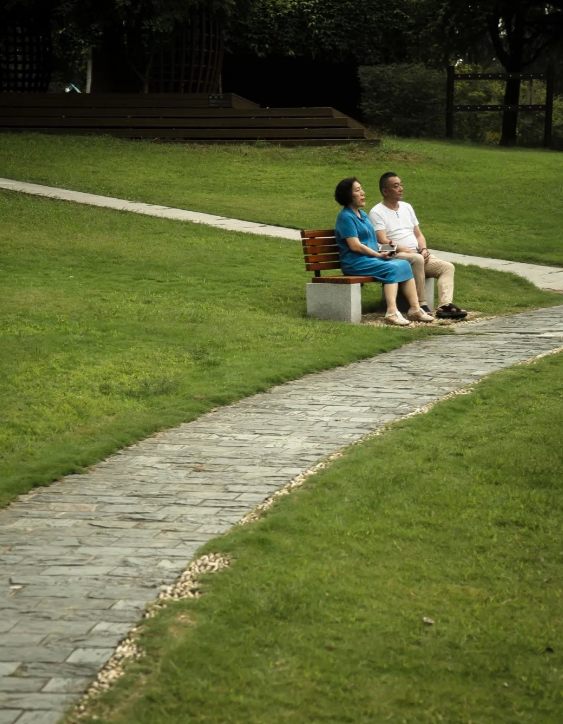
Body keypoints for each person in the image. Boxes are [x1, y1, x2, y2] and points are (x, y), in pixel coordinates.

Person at [334, 177, 433, 326]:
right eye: (357, 190)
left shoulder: (363, 215)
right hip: (355, 262)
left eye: (361, 189)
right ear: (348, 195)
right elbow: (355, 246)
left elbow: (373, 243)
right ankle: (392, 312)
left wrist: (389, 249)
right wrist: (378, 255)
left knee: (404, 264)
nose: (363, 193)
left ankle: (415, 309)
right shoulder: (346, 217)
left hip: (370, 259)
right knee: (392, 267)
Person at [369, 172, 468, 319]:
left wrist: (424, 249)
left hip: (417, 254)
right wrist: (402, 248)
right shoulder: (377, 212)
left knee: (447, 267)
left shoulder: (407, 207)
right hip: (397, 255)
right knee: (417, 259)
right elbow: (381, 241)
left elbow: (419, 235)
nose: (401, 189)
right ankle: (421, 305)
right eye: (396, 186)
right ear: (385, 191)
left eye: (401, 185)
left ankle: (444, 306)